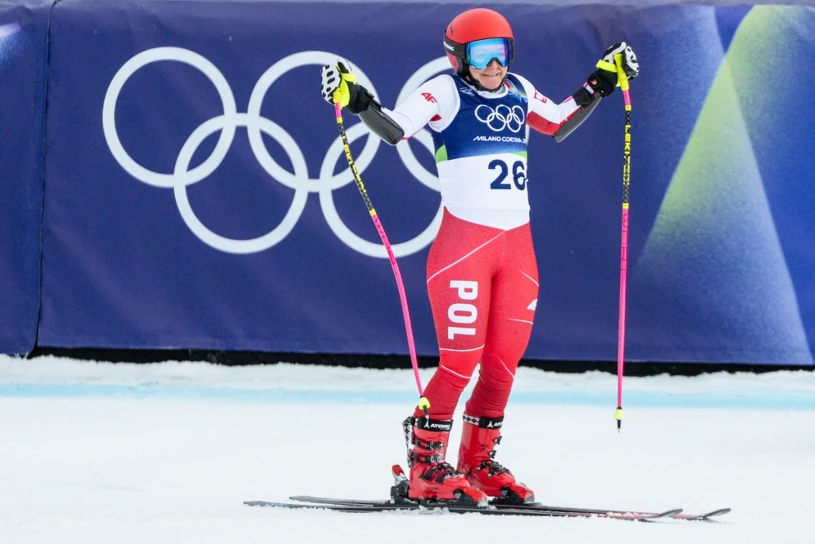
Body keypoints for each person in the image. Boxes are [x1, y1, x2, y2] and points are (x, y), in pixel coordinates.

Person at [320, 8, 639, 505]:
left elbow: (556, 122)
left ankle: (478, 463)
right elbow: (396, 129)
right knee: (460, 361)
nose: (495, 65)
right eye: (482, 55)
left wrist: (601, 82)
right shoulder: (443, 91)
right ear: (458, 57)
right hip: (464, 247)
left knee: (502, 363)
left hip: (518, 247)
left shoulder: (517, 88)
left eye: (503, 53)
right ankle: (425, 467)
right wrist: (357, 99)